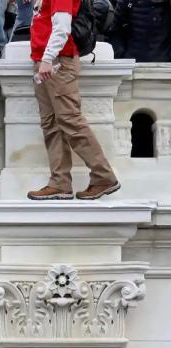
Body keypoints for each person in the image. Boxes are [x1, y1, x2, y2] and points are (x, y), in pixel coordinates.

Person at [26, 0, 120, 200]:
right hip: (48, 61)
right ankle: (59, 182)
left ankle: (103, 176)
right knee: (51, 123)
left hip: (57, 62)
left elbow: (62, 26)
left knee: (70, 120)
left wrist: (47, 58)